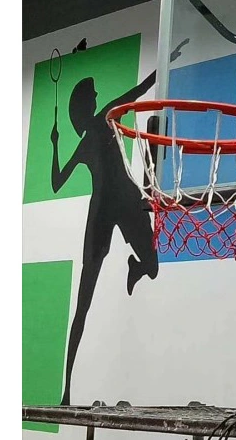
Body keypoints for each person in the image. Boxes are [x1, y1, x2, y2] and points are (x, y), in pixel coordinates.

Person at [51, 44, 185, 405]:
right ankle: (66, 391)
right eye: (93, 95)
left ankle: (135, 266)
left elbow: (139, 91)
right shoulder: (95, 130)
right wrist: (55, 145)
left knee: (152, 267)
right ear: (87, 104)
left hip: (126, 201)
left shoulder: (104, 120)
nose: (98, 97)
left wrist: (166, 60)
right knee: (83, 301)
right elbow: (58, 183)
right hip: (105, 210)